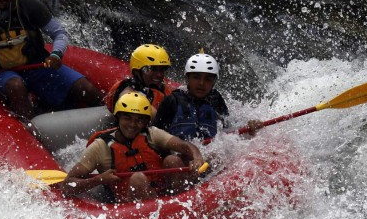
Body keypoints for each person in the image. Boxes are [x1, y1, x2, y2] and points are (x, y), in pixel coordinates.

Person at [59, 92, 206, 203]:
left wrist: (197, 157)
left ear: (145, 122)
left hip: (164, 197)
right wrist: (98, 179)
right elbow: (67, 185)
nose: (132, 125)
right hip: (129, 207)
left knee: (173, 160)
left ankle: (183, 204)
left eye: (139, 120)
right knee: (137, 179)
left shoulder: (151, 134)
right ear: (118, 118)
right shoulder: (100, 146)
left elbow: (185, 146)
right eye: (127, 118)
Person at [154, 52, 262, 141]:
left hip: (211, 155)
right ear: (188, 79)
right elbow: (156, 136)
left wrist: (249, 128)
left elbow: (230, 131)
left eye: (208, 79)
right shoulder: (173, 101)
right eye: (196, 77)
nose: (201, 83)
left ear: (214, 82)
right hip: (180, 156)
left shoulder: (216, 100)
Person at [104, 44, 173, 118]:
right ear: (137, 71)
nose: (159, 75)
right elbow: (156, 120)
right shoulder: (127, 92)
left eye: (162, 69)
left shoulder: (161, 88)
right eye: (152, 69)